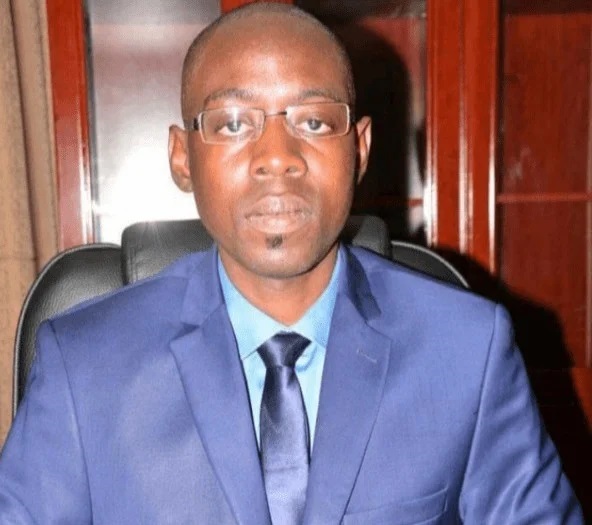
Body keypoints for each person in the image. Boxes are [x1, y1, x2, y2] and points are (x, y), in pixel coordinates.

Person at [0, 3, 583, 524]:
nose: (277, 158)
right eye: (234, 123)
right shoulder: (84, 366)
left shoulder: (467, 350)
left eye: (313, 122)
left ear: (359, 149)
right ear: (182, 158)